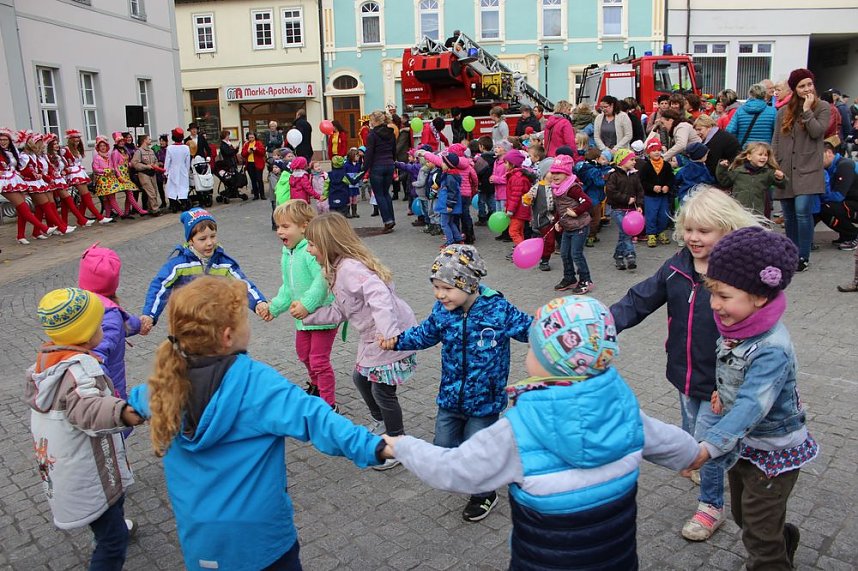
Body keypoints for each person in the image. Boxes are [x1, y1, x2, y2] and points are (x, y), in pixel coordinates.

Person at [386, 295, 707, 570]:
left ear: (551, 359)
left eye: (534, 347)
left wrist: (402, 447)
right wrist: (697, 454)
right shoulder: (625, 412)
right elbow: (674, 444)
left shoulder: (518, 429)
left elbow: (454, 471)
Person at [128, 276, 389, 570]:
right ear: (228, 336)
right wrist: (378, 446)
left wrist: (122, 413)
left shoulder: (162, 382)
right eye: (244, 319)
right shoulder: (255, 383)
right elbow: (317, 420)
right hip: (262, 544)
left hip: (201, 543)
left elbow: (132, 404)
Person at [611, 186, 764, 542]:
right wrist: (603, 323)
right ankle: (706, 461)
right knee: (691, 430)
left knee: (704, 444)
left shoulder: (737, 277)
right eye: (689, 229)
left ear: (726, 230)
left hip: (719, 382)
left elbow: (753, 334)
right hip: (683, 373)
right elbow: (639, 299)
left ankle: (711, 505)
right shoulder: (677, 266)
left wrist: (729, 385)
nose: (694, 238)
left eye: (704, 231)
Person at [380, 245, 532, 521]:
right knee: (443, 446)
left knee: (478, 453)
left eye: (447, 288)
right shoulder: (443, 311)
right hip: (450, 397)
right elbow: (425, 334)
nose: (440, 294)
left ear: (469, 284)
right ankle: (478, 462)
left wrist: (556, 333)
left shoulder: (497, 308)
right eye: (436, 287)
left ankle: (484, 493)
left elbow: (528, 329)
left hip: (485, 401)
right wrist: (397, 341)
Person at [700, 227, 817, 570]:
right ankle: (782, 538)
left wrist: (709, 445)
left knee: (758, 535)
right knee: (743, 514)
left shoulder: (771, 349)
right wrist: (723, 391)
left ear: (760, 297)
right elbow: (736, 376)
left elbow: (754, 403)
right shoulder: (738, 328)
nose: (714, 304)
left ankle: (772, 559)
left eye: (723, 295)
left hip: (774, 450)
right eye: (712, 293)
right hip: (745, 444)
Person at [27, 288, 143, 569]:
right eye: (99, 323)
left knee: (113, 506)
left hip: (76, 463)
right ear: (88, 333)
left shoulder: (49, 364)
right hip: (86, 470)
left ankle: (115, 524)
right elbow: (88, 409)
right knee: (111, 542)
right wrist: (126, 412)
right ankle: (111, 536)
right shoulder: (77, 371)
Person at [302, 212, 418, 470]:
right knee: (360, 378)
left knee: (382, 391)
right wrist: (310, 317)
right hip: (374, 336)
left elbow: (379, 295)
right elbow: (343, 310)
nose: (308, 250)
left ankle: (396, 444)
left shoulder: (350, 268)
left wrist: (388, 333)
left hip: (389, 334)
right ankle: (381, 422)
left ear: (327, 243)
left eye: (311, 244)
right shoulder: (336, 270)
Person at [256, 200, 340, 408]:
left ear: (305, 226)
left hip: (322, 315)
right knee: (304, 354)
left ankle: (329, 405)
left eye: (285, 226)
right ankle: (316, 385)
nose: (279, 232)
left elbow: (323, 280)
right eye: (278, 227)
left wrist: (307, 305)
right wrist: (273, 308)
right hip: (302, 317)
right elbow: (288, 287)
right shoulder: (288, 253)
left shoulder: (310, 252)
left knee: (319, 360)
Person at [140, 208, 268, 334]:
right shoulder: (178, 265)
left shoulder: (223, 263)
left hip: (217, 327)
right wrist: (149, 315)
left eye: (213, 236)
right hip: (187, 327)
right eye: (202, 239)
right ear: (190, 240)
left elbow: (242, 284)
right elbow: (159, 287)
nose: (209, 243)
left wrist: (258, 303)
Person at [772, 68, 830, 271]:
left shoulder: (822, 107)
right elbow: (777, 139)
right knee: (788, 215)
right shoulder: (783, 111)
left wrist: (807, 110)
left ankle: (803, 256)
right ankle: (792, 253)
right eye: (801, 86)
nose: (806, 89)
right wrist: (775, 163)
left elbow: (817, 132)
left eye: (809, 84)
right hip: (786, 168)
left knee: (802, 211)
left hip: (808, 169)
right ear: (794, 89)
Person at [77, 244, 141, 405]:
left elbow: (124, 323)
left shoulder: (82, 304)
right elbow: (98, 358)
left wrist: (140, 324)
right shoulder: (109, 313)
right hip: (106, 394)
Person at [542, 154, 593, 293]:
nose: (555, 175)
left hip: (580, 226)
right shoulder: (557, 188)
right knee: (564, 253)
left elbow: (588, 202)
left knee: (576, 254)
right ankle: (569, 278)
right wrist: (558, 220)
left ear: (567, 173)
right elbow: (560, 207)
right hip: (567, 227)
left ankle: (585, 280)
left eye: (559, 173)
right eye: (553, 172)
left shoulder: (572, 188)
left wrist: (576, 211)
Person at [0, 127, 53, 244]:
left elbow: (19, 167)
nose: (3, 142)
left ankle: (20, 236)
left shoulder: (12, 152)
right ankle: (44, 228)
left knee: (22, 209)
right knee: (23, 206)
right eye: (1, 140)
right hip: (4, 181)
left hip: (15, 180)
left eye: (5, 139)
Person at [18, 131, 72, 235]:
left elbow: (40, 168)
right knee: (41, 206)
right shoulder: (24, 156)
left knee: (41, 207)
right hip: (30, 183)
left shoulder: (35, 156)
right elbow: (25, 170)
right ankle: (60, 227)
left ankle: (37, 232)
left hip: (41, 181)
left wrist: (48, 178)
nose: (43, 145)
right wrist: (37, 174)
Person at [717, 142, 786, 216]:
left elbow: (782, 185)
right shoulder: (738, 171)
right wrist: (722, 168)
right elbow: (724, 182)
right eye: (760, 154)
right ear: (749, 157)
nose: (763, 157)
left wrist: (781, 178)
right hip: (740, 211)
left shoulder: (767, 172)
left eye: (766, 155)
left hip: (759, 212)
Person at [605, 148, 643, 270]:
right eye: (631, 159)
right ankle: (630, 254)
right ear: (622, 161)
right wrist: (626, 199)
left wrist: (639, 204)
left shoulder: (634, 175)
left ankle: (619, 255)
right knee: (627, 231)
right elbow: (611, 192)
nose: (634, 162)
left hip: (631, 210)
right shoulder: (613, 175)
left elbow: (640, 191)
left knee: (624, 233)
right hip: (617, 209)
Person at [62, 129, 110, 224]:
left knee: (80, 198)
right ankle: (99, 217)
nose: (77, 141)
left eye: (78, 139)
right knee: (86, 195)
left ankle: (79, 221)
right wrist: (66, 169)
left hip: (80, 172)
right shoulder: (65, 150)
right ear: (70, 140)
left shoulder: (77, 149)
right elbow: (62, 162)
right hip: (73, 174)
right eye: (74, 139)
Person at [44, 134, 91, 227]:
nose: (57, 145)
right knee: (56, 203)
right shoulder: (49, 156)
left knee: (64, 202)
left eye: (57, 143)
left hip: (61, 179)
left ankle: (63, 224)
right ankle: (80, 220)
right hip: (53, 181)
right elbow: (50, 169)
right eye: (54, 144)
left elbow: (64, 167)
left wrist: (65, 170)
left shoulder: (59, 155)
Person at [364, 110, 398, 232]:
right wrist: (393, 163)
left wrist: (364, 168)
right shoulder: (391, 133)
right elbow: (394, 151)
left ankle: (387, 221)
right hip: (389, 165)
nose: (370, 122)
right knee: (386, 193)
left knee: (379, 194)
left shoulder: (372, 135)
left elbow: (369, 153)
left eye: (371, 120)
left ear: (376, 121)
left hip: (377, 166)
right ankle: (391, 219)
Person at [638, 138, 675, 247]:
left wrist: (667, 186)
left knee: (664, 215)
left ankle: (661, 231)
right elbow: (642, 182)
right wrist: (652, 187)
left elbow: (671, 178)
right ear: (649, 152)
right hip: (650, 196)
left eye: (659, 150)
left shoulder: (666, 165)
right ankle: (651, 234)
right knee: (651, 215)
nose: (657, 152)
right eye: (654, 150)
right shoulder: (646, 166)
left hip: (663, 196)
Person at [821, 142, 858, 249]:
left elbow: (838, 196)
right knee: (822, 208)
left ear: (828, 153)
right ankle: (846, 235)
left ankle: (853, 235)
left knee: (828, 207)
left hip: (853, 203)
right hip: (852, 201)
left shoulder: (845, 165)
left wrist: (821, 196)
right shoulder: (830, 167)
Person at [503, 149, 532, 248]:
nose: (504, 165)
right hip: (520, 209)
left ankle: (522, 249)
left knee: (513, 231)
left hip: (519, 210)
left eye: (506, 163)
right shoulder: (516, 176)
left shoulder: (517, 178)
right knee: (519, 231)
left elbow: (515, 196)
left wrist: (510, 209)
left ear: (512, 163)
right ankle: (520, 249)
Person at [433, 152, 463, 247]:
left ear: (449, 165)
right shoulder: (449, 174)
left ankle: (450, 241)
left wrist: (450, 205)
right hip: (446, 203)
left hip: (446, 204)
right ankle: (458, 238)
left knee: (444, 224)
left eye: (444, 163)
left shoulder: (450, 177)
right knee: (450, 222)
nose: (442, 164)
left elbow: (452, 192)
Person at [131, 134, 162, 214]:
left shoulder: (151, 151)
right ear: (144, 140)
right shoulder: (139, 151)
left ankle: (150, 208)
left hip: (152, 173)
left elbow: (156, 160)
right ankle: (155, 209)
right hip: (144, 174)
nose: (150, 140)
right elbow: (135, 163)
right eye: (149, 139)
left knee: (154, 191)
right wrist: (146, 166)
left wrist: (156, 165)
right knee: (151, 192)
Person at [164, 127, 192, 212]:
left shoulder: (170, 148)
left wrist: (166, 172)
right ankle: (184, 204)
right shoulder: (186, 148)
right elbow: (187, 161)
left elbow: (167, 161)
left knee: (172, 187)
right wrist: (187, 171)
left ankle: (174, 206)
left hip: (173, 170)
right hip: (183, 169)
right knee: (183, 187)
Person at [241, 131, 266, 200]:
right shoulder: (246, 144)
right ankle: (256, 195)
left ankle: (262, 195)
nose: (251, 139)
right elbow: (243, 154)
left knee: (259, 179)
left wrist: (256, 149)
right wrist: (248, 151)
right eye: (249, 137)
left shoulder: (258, 143)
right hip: (249, 164)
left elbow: (263, 152)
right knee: (253, 180)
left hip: (258, 164)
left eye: (252, 137)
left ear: (255, 137)